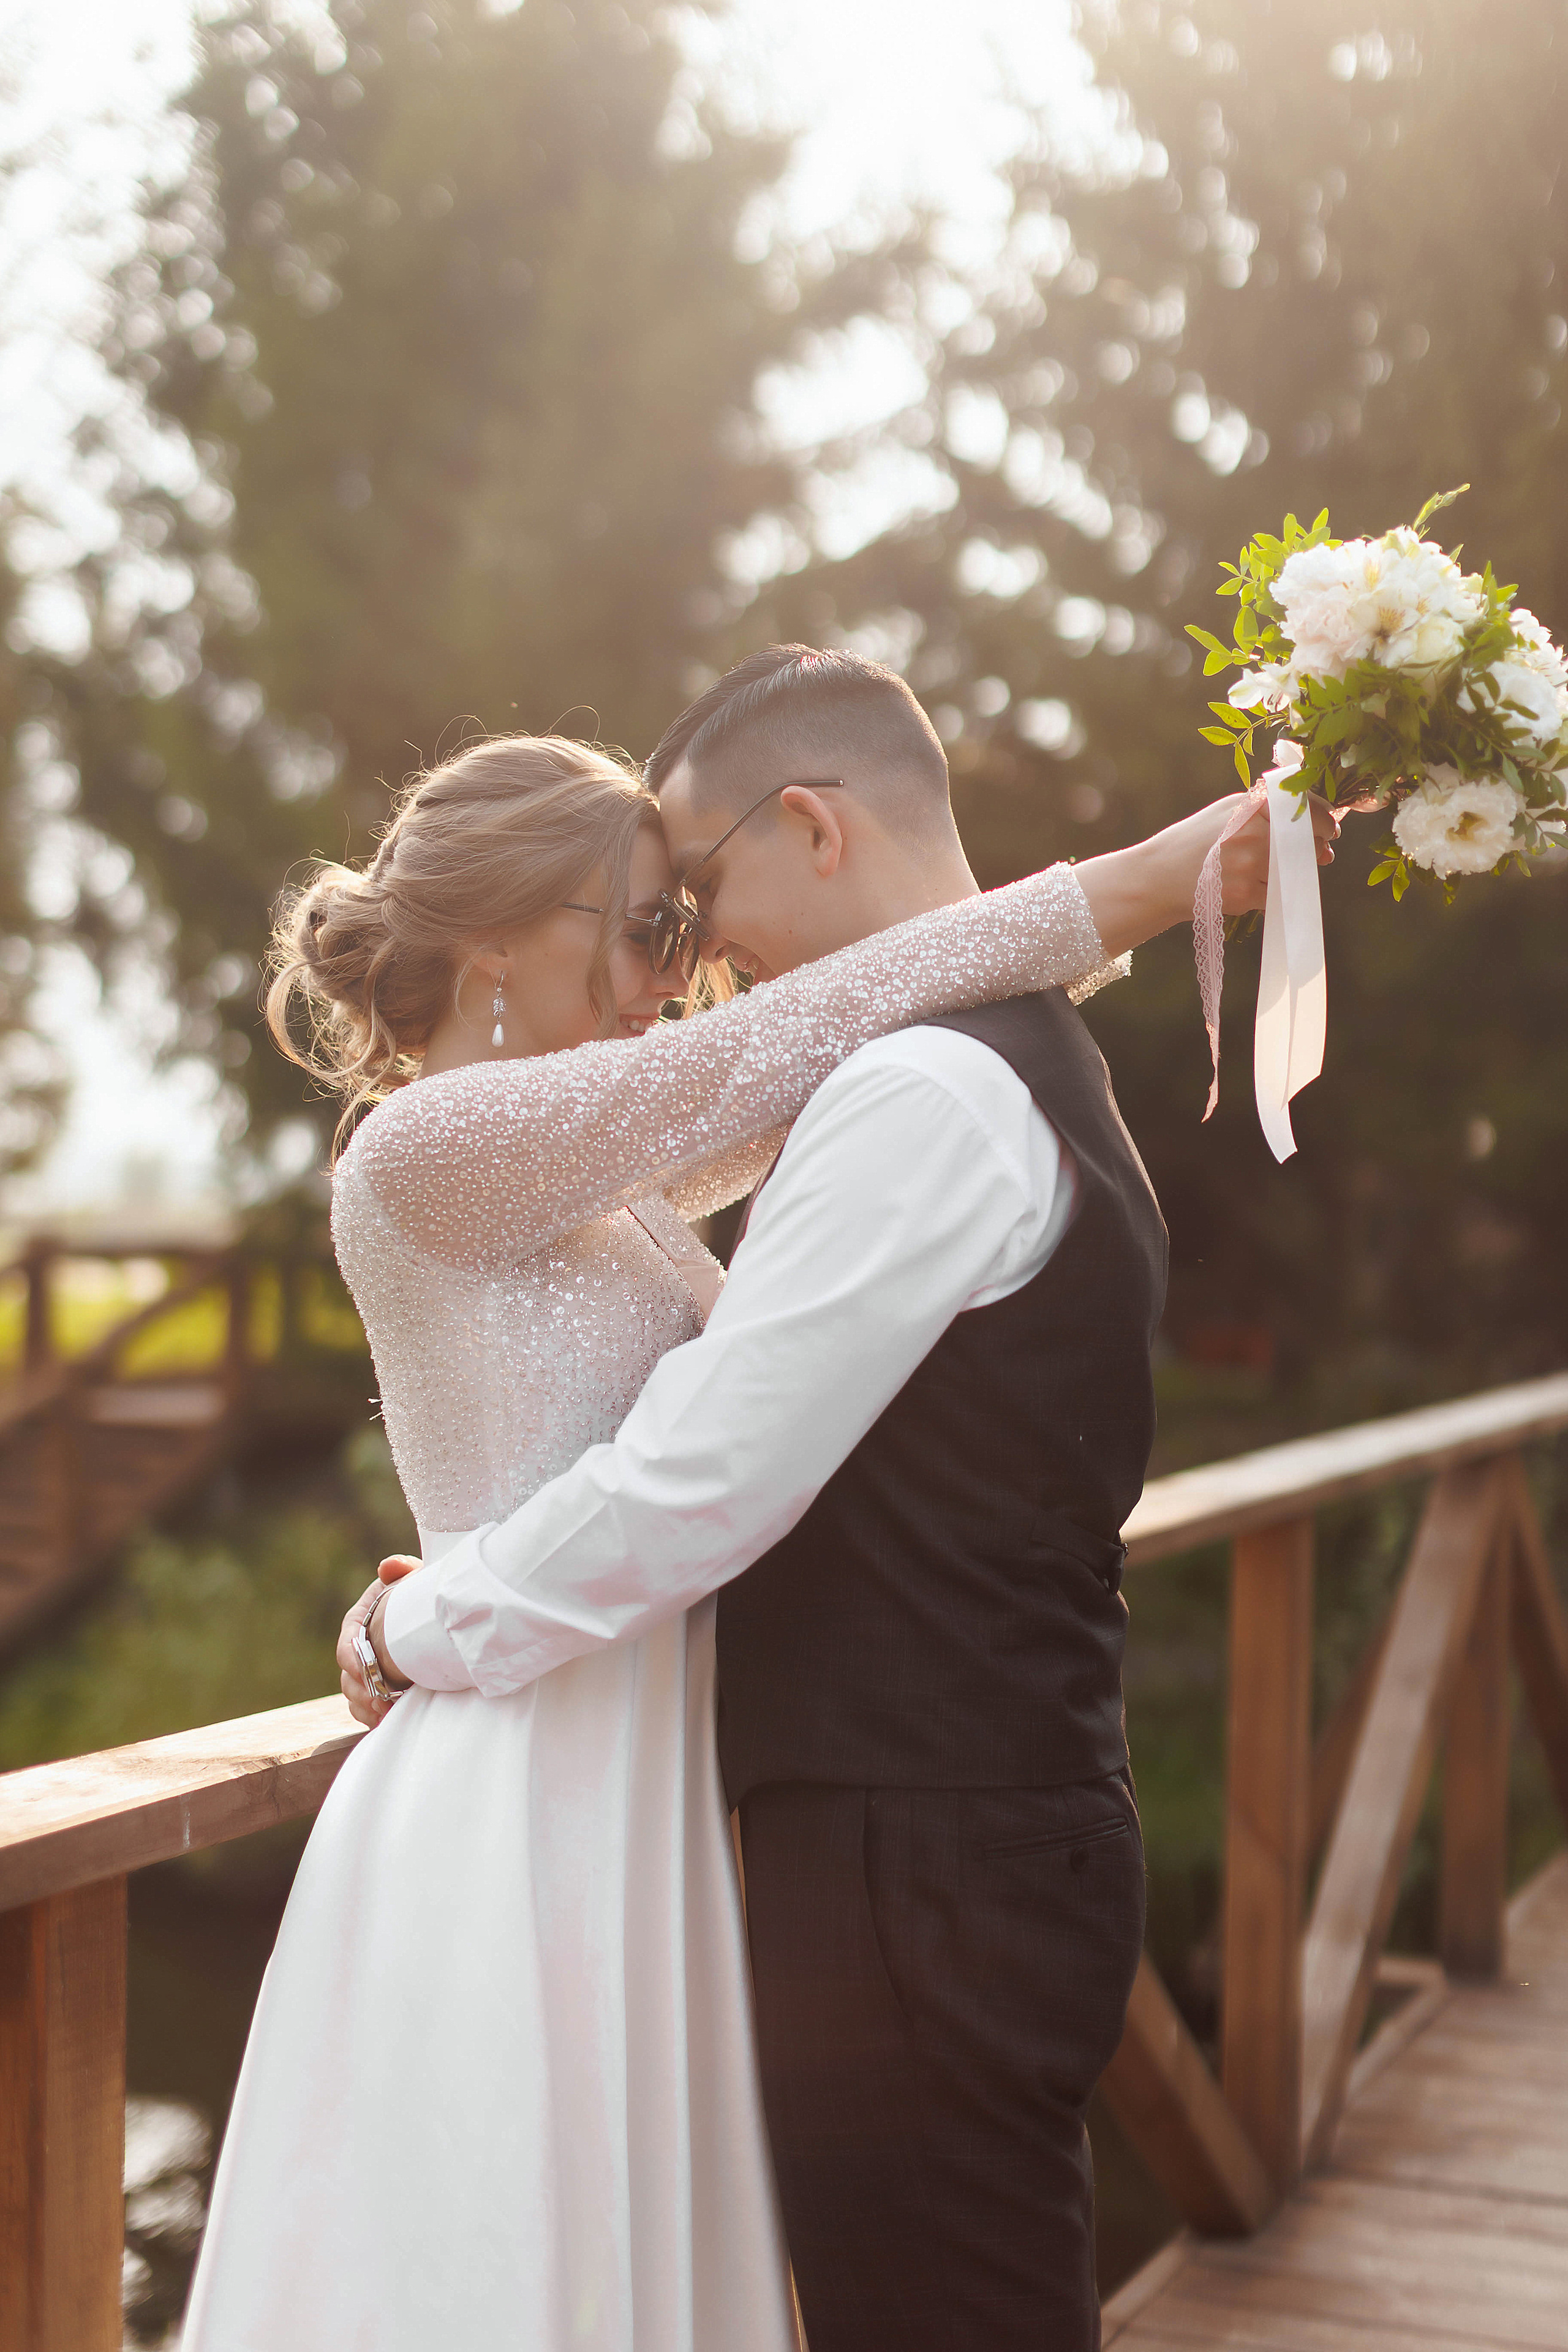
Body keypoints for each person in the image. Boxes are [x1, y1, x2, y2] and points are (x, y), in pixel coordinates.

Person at [186, 657, 1322, 2352]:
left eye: (687, 920)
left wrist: (1118, 913)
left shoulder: (605, 1171)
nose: (689, 971)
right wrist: (1136, 884)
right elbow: (806, 1032)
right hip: (522, 1778)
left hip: (662, 1765)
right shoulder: (420, 1152)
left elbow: (851, 1027)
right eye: (650, 929)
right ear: (498, 933)